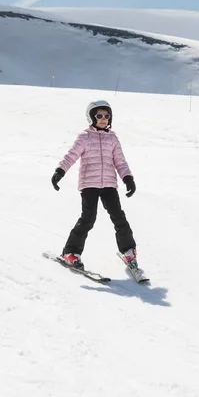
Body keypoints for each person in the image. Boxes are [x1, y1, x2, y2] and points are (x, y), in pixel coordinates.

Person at [51, 100, 138, 270]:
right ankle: (70, 253)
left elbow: (119, 161)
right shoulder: (85, 137)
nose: (104, 119)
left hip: (109, 185)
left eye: (107, 116)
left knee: (119, 218)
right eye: (99, 116)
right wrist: (60, 171)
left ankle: (128, 251)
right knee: (88, 219)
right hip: (89, 184)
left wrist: (128, 178)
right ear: (91, 117)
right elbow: (71, 155)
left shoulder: (112, 138)